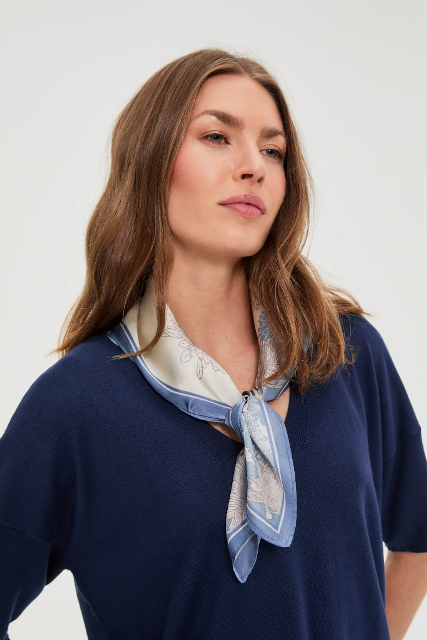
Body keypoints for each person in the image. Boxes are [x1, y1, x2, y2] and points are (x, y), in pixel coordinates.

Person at [1, 48, 427, 640]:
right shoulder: (75, 406)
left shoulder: (346, 352)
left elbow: (417, 538)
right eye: (217, 137)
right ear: (150, 161)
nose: (253, 165)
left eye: (273, 150)